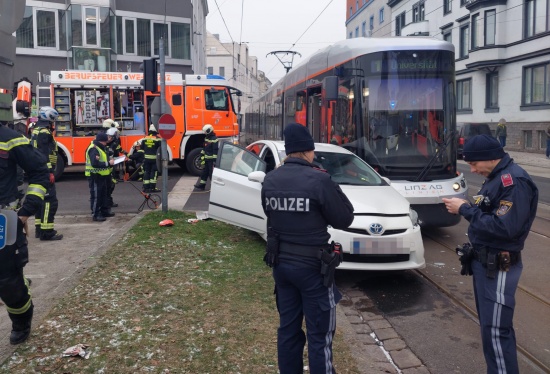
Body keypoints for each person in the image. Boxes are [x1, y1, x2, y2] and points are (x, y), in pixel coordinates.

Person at [261, 123, 355, 374]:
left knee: (288, 330)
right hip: (314, 270)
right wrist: (331, 185)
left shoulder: (270, 179)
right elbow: (345, 218)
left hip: (281, 267)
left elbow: (269, 213)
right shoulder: (319, 179)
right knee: (319, 335)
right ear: (307, 151)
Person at [442, 134, 538, 374]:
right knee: (492, 327)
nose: (472, 169)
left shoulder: (513, 182)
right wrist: (470, 206)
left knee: (496, 331)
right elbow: (489, 207)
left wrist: (465, 209)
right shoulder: (496, 177)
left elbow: (505, 228)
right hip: (485, 263)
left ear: (490, 158)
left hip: (499, 264)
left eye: (474, 164)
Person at [0, 120, 49, 344]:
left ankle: (21, 322)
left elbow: (39, 172)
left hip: (3, 221)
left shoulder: (9, 138)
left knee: (8, 282)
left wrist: (26, 211)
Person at [30, 106, 63, 240]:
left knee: (40, 199)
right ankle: (47, 232)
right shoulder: (44, 132)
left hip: (36, 171)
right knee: (50, 201)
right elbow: (44, 153)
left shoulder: (36, 130)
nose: (53, 123)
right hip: (44, 171)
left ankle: (39, 229)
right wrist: (49, 171)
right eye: (53, 120)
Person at [87, 132, 115, 221]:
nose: (106, 143)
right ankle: (96, 214)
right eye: (105, 142)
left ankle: (104, 211)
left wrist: (109, 160)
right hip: (95, 175)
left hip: (102, 175)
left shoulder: (100, 147)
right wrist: (108, 163)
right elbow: (95, 163)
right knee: (96, 195)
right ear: (101, 141)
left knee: (103, 194)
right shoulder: (94, 149)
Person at [194, 124, 218, 190]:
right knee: (204, 172)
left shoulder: (214, 139)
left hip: (211, 160)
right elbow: (204, 148)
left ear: (209, 131)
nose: (205, 133)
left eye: (205, 132)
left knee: (211, 173)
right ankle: (202, 185)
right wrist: (201, 155)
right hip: (206, 159)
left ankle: (213, 187)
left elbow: (215, 150)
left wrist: (214, 160)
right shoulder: (206, 138)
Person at [141, 124, 161, 193]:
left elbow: (142, 147)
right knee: (154, 172)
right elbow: (161, 149)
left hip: (146, 159)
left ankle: (146, 187)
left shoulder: (144, 138)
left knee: (147, 172)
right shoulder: (158, 139)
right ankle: (152, 188)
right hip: (154, 159)